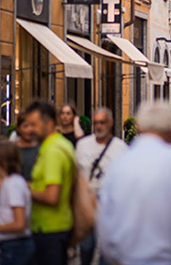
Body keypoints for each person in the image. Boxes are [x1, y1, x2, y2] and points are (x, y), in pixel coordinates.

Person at [96, 102, 171, 264]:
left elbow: (105, 215)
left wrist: (112, 254)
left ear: (140, 127)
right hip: (165, 258)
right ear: (168, 128)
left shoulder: (120, 162)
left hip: (126, 257)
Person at [24, 101, 75, 265]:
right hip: (53, 228)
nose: (30, 129)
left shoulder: (53, 151)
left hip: (49, 230)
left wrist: (24, 190)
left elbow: (52, 196)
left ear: (50, 123)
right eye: (28, 124)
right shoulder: (58, 145)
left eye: (34, 124)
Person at [75, 108, 128, 265]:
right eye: (96, 123)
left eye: (102, 122)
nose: (99, 126)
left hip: (110, 203)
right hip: (87, 202)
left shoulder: (120, 148)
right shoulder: (83, 145)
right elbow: (76, 173)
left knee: (107, 248)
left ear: (111, 123)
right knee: (86, 245)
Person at [14, 112, 39, 182]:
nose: (29, 130)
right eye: (25, 126)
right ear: (18, 128)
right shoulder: (13, 149)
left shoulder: (40, 148)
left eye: (32, 126)